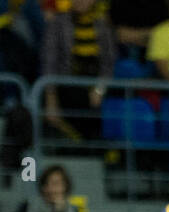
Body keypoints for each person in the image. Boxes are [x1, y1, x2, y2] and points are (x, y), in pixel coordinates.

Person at [41, 0, 116, 144]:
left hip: (95, 85)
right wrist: (51, 99)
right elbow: (49, 63)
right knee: (78, 97)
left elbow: (109, 63)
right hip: (67, 85)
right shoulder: (58, 23)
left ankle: (96, 145)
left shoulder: (103, 25)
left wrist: (99, 90)